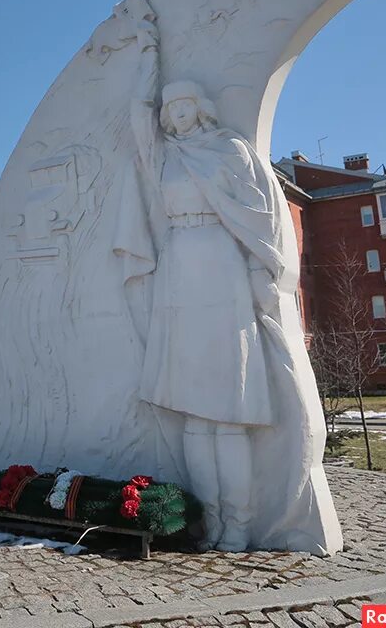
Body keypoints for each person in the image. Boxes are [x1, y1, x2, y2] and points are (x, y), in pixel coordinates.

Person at [129, 80, 283, 550]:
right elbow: (137, 124)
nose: (175, 116)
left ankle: (238, 522)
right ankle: (207, 519)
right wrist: (143, 52)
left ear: (201, 108)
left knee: (229, 412)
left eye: (183, 106)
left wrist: (261, 270)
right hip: (178, 265)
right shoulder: (166, 155)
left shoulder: (229, 149)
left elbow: (259, 214)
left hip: (221, 263)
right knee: (194, 413)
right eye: (169, 109)